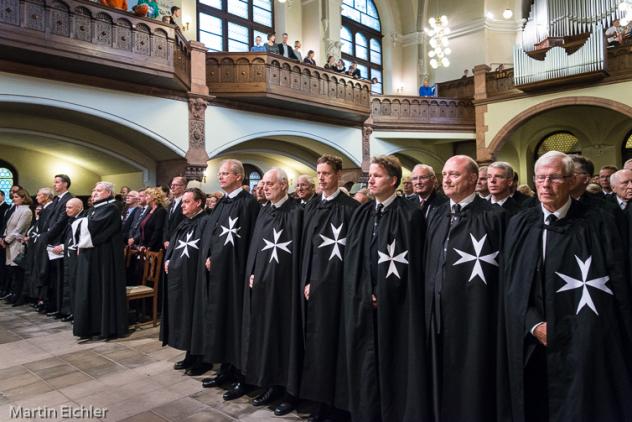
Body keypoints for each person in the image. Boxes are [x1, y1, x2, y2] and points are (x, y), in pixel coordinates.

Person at [503, 151, 632, 422]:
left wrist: (575, 329)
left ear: (572, 181)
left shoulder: (600, 221)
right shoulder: (521, 223)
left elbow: (616, 281)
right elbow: (513, 283)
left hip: (587, 338)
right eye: (540, 178)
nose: (546, 185)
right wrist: (533, 324)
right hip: (536, 341)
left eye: (554, 178)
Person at [338, 155, 429, 421]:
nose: (371, 180)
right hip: (363, 302)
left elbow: (412, 264)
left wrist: (384, 291)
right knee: (364, 361)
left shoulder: (410, 214)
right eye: (370, 176)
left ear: (393, 180)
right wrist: (363, 290)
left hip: (396, 306)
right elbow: (354, 257)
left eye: (376, 175)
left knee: (392, 360)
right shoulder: (363, 212)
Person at [424, 155, 506, 422]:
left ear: (473, 179)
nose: (446, 179)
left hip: (476, 313)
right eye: (445, 174)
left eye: (454, 174)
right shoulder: (436, 214)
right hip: (437, 311)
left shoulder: (495, 216)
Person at [296, 155, 358, 421]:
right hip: (314, 288)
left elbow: (354, 254)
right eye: (318, 173)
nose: (321, 178)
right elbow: (306, 249)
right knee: (317, 345)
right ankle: (318, 401)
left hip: (339, 290)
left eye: (326, 173)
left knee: (337, 345)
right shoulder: (311, 207)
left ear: (338, 175)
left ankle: (339, 404)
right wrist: (307, 280)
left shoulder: (351, 208)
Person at [240, 168, 303, 413]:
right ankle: (272, 384)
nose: (264, 187)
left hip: (286, 289)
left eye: (270, 183)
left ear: (284, 185)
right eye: (263, 183)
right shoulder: (265, 211)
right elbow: (257, 245)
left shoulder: (297, 212)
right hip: (264, 286)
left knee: (286, 338)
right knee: (267, 336)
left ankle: (290, 391)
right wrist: (253, 270)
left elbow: (300, 252)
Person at [196, 160, 260, 400]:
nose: (220, 177)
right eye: (220, 173)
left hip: (236, 274)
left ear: (238, 177)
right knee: (221, 319)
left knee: (236, 322)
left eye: (225, 174)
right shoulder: (223, 201)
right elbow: (215, 234)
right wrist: (210, 255)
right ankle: (225, 368)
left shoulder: (248, 203)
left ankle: (242, 376)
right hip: (219, 274)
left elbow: (251, 240)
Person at [161, 188, 210, 375]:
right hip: (181, 279)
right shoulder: (185, 222)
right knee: (185, 317)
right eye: (182, 202)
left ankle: (202, 359)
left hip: (195, 279)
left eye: (187, 202)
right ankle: (190, 354)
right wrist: (168, 259)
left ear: (198, 203)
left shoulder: (205, 221)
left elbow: (206, 249)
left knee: (196, 317)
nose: (182, 205)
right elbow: (174, 244)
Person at [73, 182, 128, 340]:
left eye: (98, 190)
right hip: (93, 253)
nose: (94, 193)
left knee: (103, 288)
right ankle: (91, 326)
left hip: (105, 256)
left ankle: (106, 326)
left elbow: (94, 226)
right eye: (94, 190)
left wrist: (77, 223)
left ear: (109, 192)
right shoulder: (96, 207)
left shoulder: (112, 207)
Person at [43, 174, 74, 317]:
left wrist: (47, 236)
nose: (54, 185)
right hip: (52, 240)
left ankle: (62, 308)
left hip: (60, 240)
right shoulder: (57, 199)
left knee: (61, 277)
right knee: (54, 276)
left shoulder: (69, 199)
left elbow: (61, 221)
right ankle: (54, 305)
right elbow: (50, 219)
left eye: (57, 182)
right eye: (54, 182)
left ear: (65, 184)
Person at [1, 189, 33, 305]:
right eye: (13, 197)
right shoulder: (16, 209)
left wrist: (6, 240)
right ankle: (15, 294)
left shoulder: (26, 211)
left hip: (17, 244)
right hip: (10, 243)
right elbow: (8, 225)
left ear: (23, 198)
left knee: (19, 272)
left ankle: (20, 297)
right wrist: (3, 237)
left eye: (16, 197)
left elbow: (18, 229)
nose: (14, 198)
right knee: (13, 272)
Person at [55, 198, 84, 322]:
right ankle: (70, 311)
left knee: (75, 284)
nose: (67, 210)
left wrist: (64, 246)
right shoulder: (70, 219)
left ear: (79, 207)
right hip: (68, 254)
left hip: (77, 256)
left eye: (70, 207)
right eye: (66, 207)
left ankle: (77, 313)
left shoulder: (83, 219)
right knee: (69, 283)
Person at [140, 187, 168, 252]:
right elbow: (143, 228)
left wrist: (149, 246)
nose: (145, 198)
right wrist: (143, 244)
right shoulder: (149, 210)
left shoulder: (161, 211)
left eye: (146, 196)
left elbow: (157, 231)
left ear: (154, 197)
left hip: (155, 248)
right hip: (145, 246)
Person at [163, 176, 186, 250]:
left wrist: (172, 241)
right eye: (172, 185)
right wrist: (165, 240)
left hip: (178, 242)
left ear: (183, 187)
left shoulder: (185, 203)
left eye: (175, 185)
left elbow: (183, 224)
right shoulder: (171, 204)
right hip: (167, 244)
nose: (172, 187)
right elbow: (166, 224)